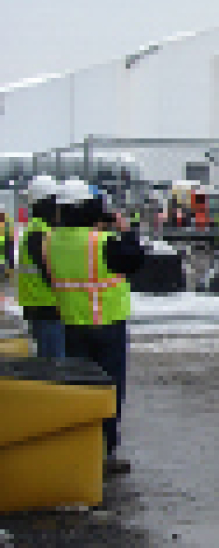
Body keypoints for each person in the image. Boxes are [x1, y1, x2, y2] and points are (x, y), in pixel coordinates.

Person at [43, 178, 145, 476]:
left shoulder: (51, 240)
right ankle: (103, 451)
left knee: (80, 390)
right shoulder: (100, 243)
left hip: (72, 324)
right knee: (108, 391)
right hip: (107, 325)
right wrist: (126, 231)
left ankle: (81, 445)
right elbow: (134, 260)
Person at [16, 176, 64, 358]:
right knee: (53, 364)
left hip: (41, 307)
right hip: (46, 308)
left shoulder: (41, 229)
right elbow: (50, 271)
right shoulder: (39, 233)